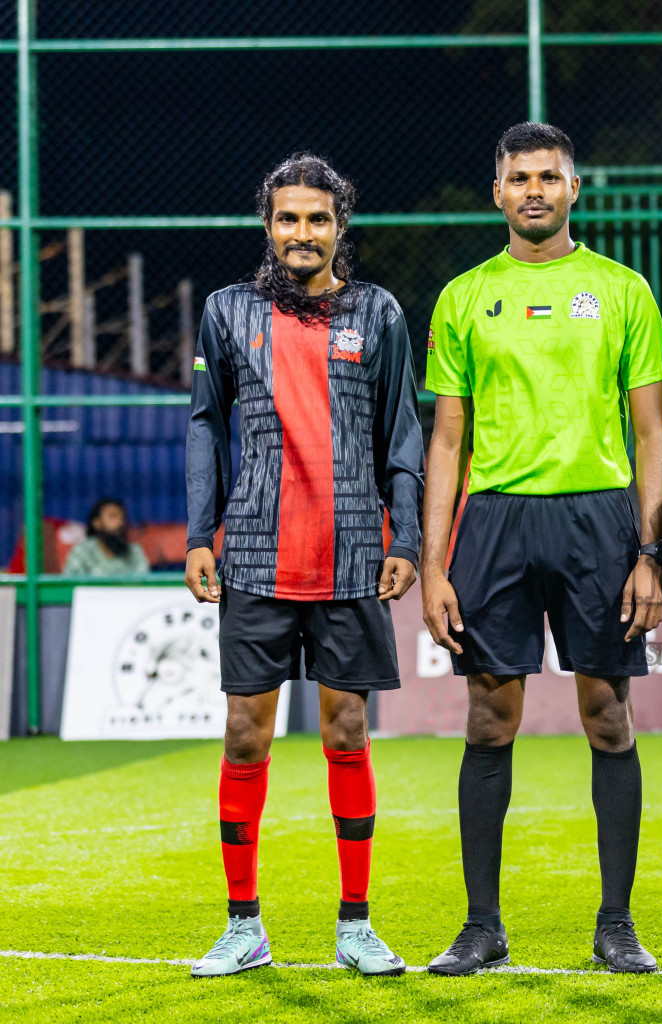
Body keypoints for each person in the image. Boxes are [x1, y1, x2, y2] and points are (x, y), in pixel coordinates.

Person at [420, 122, 662, 976]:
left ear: (574, 188)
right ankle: (482, 925)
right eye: (519, 178)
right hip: (492, 524)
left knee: (608, 715)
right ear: (499, 192)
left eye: (549, 177)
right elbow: (446, 443)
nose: (535, 190)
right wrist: (432, 565)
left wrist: (649, 551)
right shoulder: (463, 297)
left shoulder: (623, 290)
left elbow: (650, 434)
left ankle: (616, 925)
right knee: (490, 717)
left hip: (597, 523)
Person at [184, 153, 423, 977]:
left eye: (317, 219)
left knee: (347, 732)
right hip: (252, 552)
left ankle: (355, 925)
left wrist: (406, 539)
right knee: (245, 736)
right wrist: (197, 535)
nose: (302, 233)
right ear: (268, 225)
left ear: (339, 227)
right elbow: (203, 429)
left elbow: (403, 434)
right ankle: (243, 924)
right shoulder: (225, 313)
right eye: (288, 218)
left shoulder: (378, 313)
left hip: (353, 554)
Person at [62, 498, 150, 576]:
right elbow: (71, 584)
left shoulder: (134, 551)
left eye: (122, 518)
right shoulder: (82, 550)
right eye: (113, 517)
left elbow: (142, 585)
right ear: (97, 523)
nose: (120, 523)